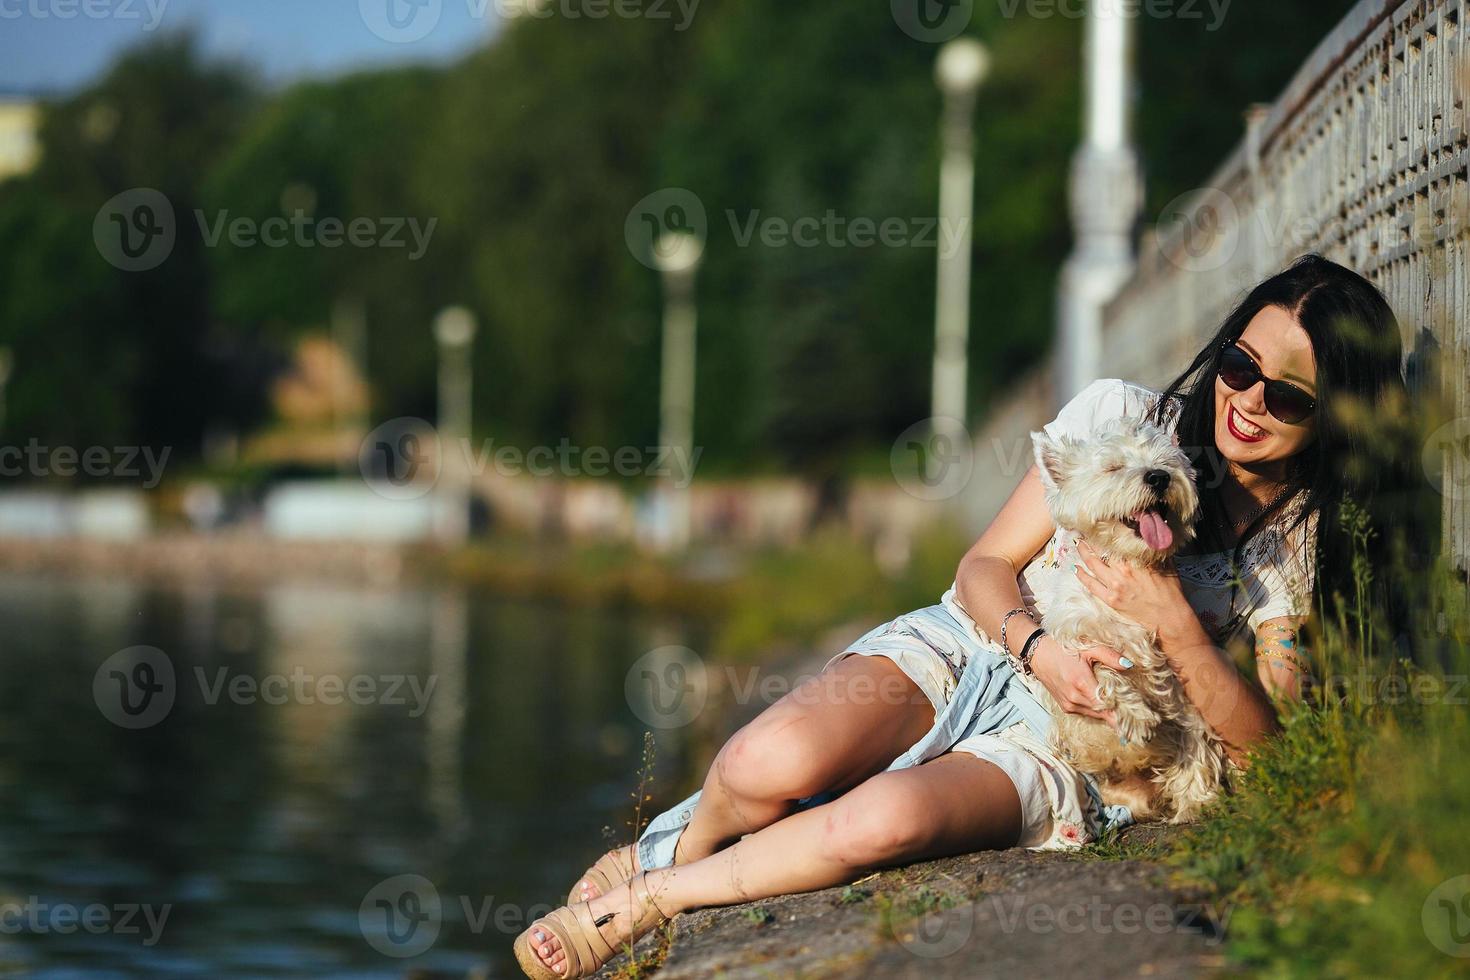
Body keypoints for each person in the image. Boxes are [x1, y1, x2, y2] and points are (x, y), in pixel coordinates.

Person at [513, 254, 1412, 979]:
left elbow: (1270, 754)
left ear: (1335, 415)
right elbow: (984, 564)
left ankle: (651, 903)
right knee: (762, 761)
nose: (1248, 404)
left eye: (1287, 396)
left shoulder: (1296, 553)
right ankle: (672, 851)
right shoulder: (1122, 418)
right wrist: (1037, 645)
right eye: (1241, 367)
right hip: (979, 643)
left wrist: (1174, 622)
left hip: (1067, 752)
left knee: (877, 826)